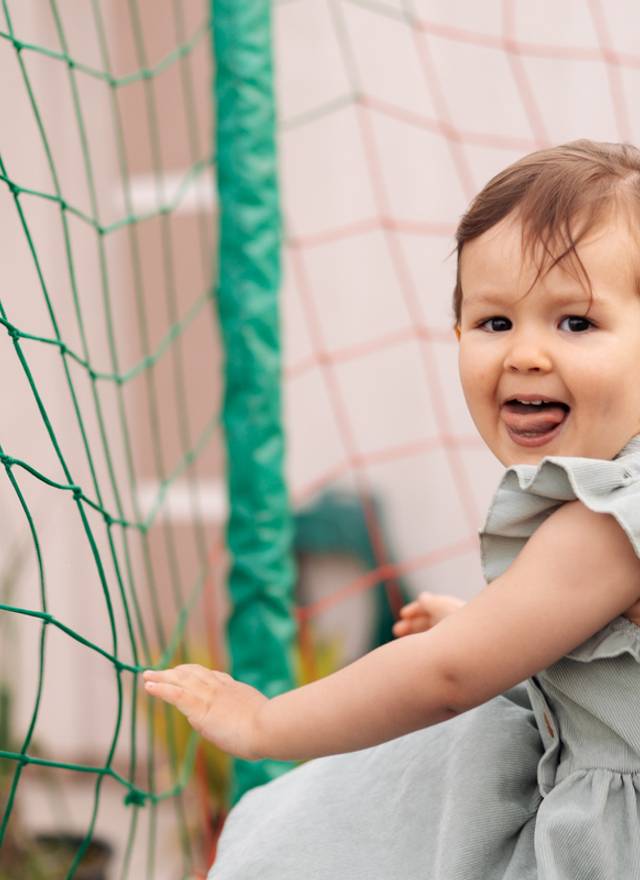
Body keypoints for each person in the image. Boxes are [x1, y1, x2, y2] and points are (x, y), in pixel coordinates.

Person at [143, 139, 640, 878]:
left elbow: (445, 679)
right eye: (495, 323)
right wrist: (492, 639)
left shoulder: (605, 521)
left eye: (575, 323)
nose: (525, 355)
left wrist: (264, 722)